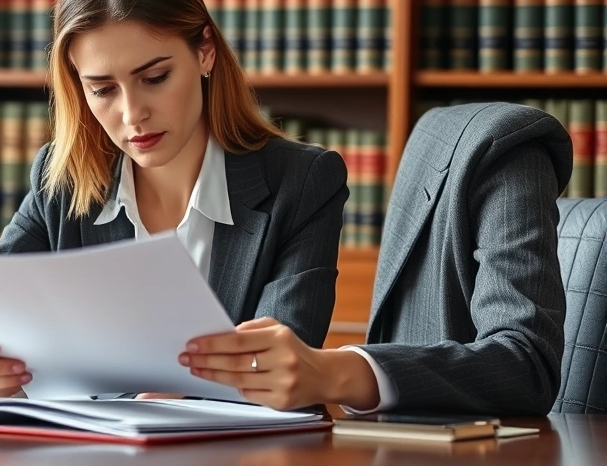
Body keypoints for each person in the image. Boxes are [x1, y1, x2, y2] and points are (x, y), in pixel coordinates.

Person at [0, 0, 350, 402]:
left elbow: (285, 360)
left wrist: (195, 397)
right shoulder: (64, 181)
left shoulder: (303, 182)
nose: (132, 115)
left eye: (154, 79)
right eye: (103, 90)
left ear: (205, 51)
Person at [182, 102, 572, 415]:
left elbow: (526, 366)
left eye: (155, 77)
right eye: (114, 88)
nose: (134, 115)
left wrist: (334, 372)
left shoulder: (509, 147)